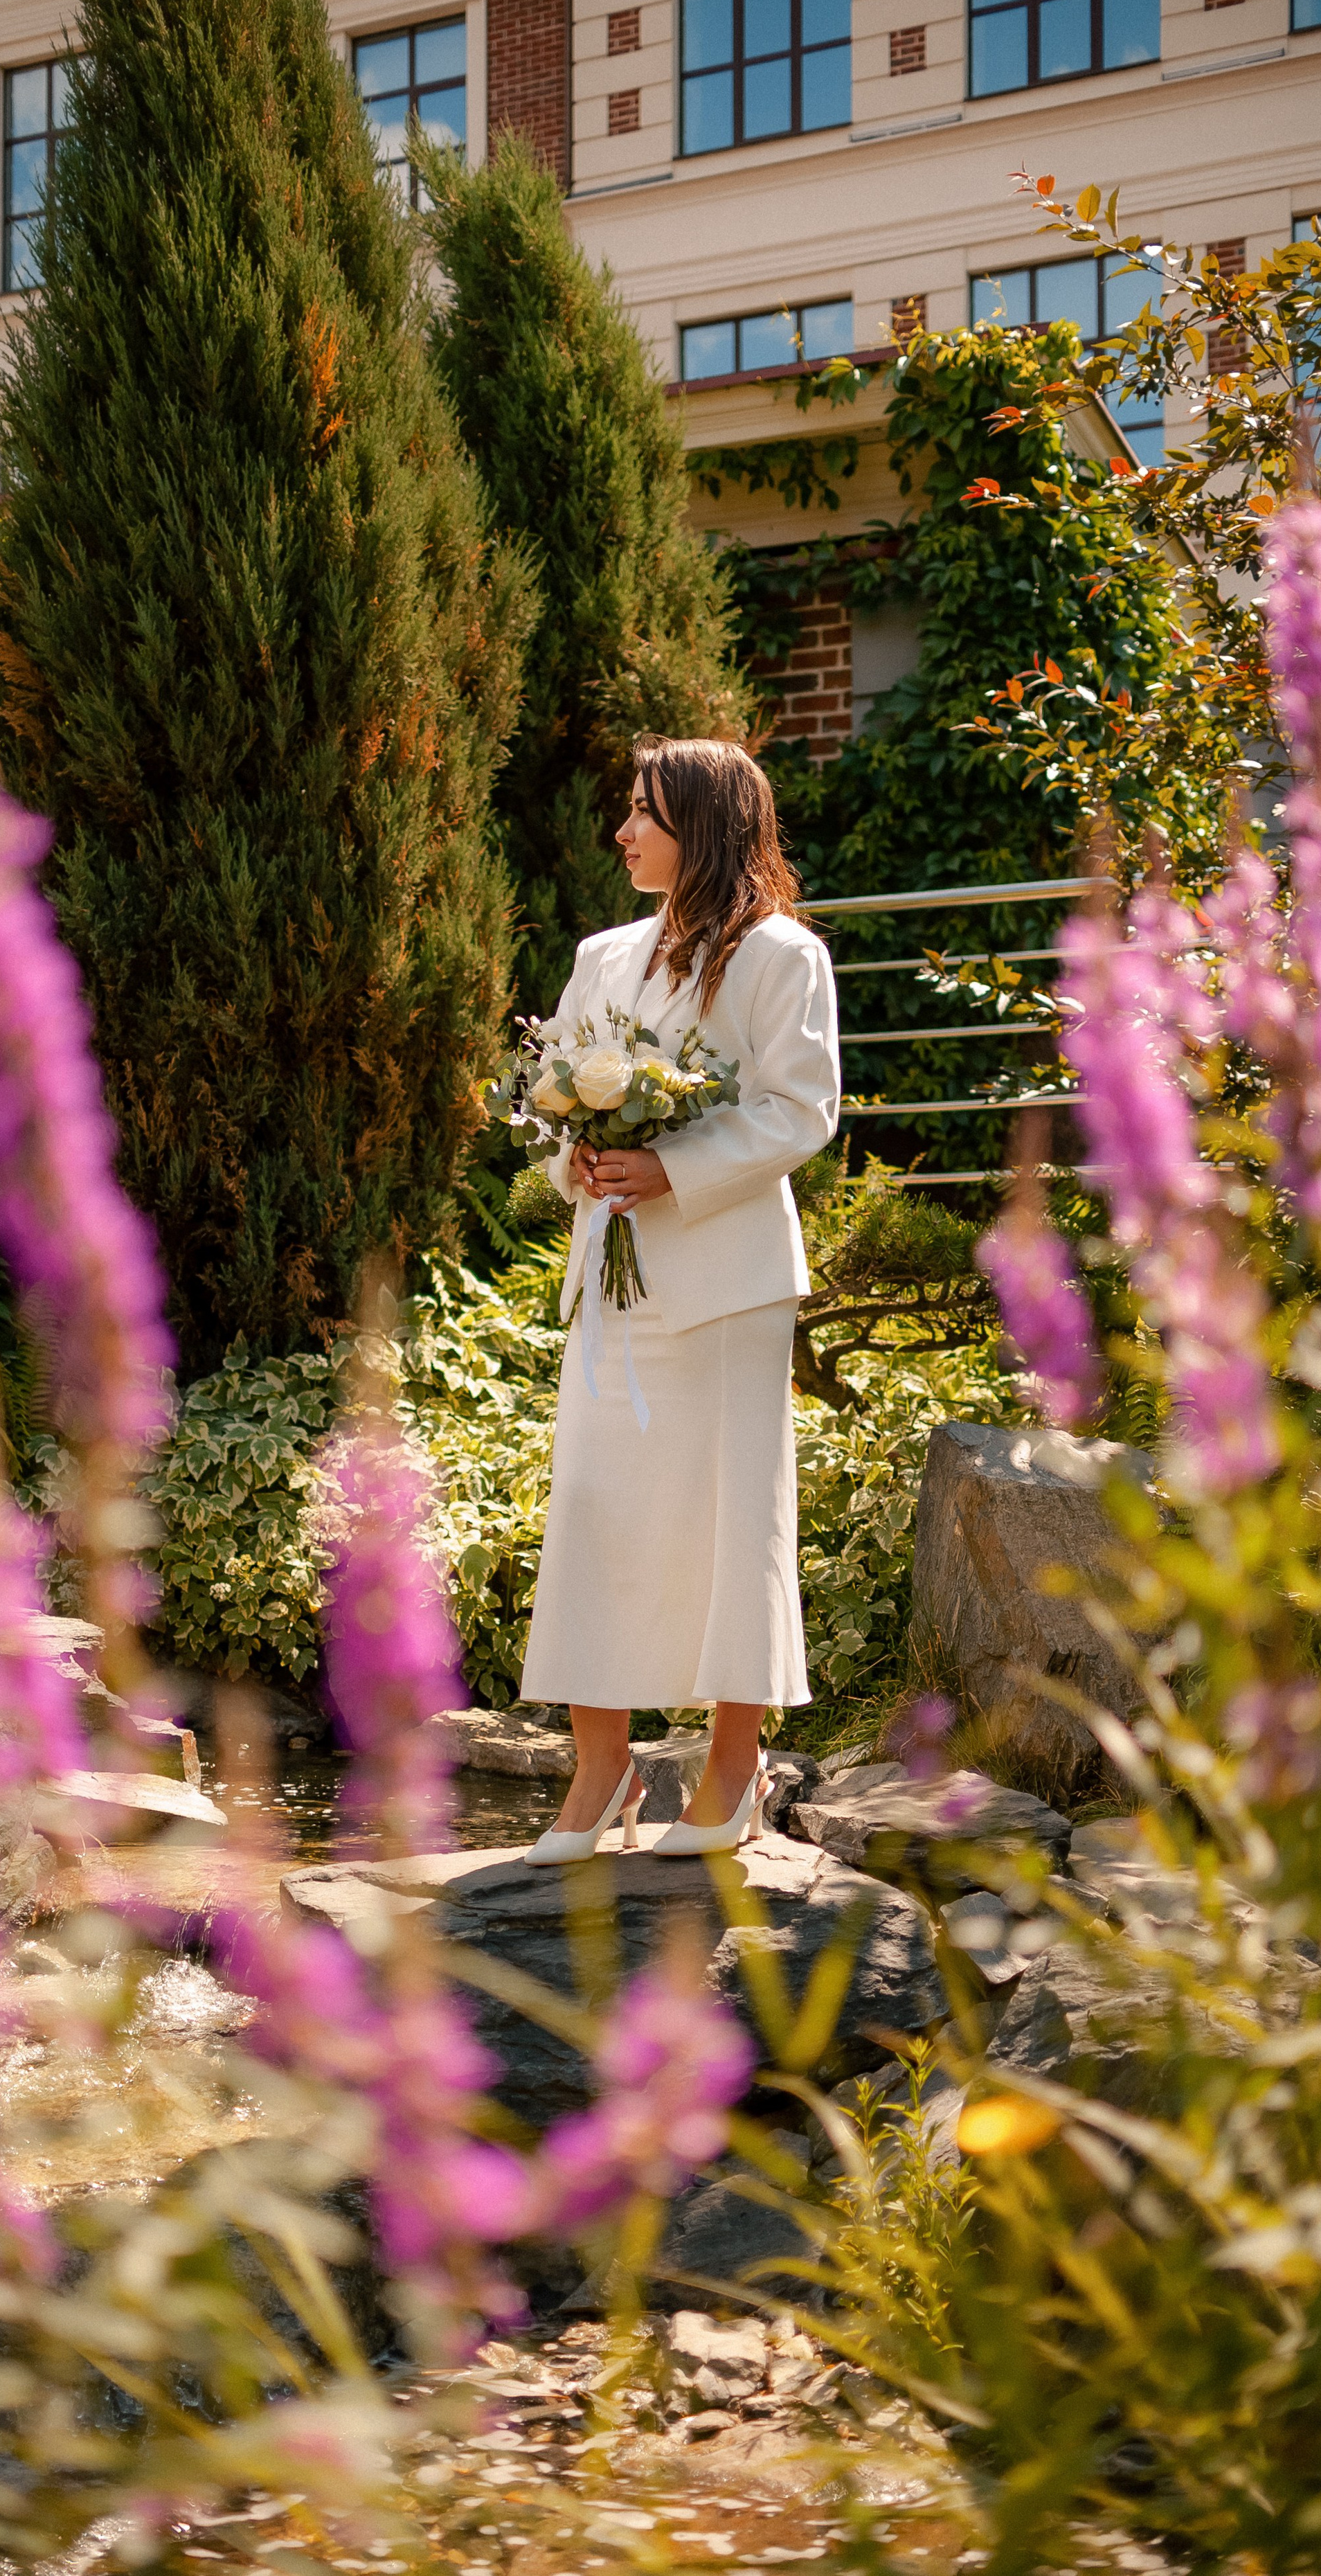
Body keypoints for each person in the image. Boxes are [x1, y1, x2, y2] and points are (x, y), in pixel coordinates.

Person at [517, 734, 841, 1863]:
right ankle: (600, 1773)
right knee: (593, 1515)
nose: (623, 832)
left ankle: (732, 1772)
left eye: (644, 812)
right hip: (614, 1286)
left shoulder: (781, 957)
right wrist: (590, 1163)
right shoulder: (602, 955)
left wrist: (671, 1168)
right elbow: (556, 1108)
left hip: (727, 1290)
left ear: (702, 823)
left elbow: (801, 1112)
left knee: (729, 1522)